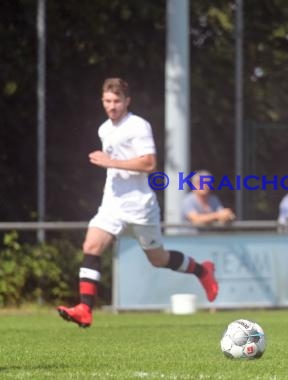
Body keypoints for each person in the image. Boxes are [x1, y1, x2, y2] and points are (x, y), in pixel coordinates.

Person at [57, 78, 219, 328]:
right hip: (112, 205)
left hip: (140, 208)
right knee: (91, 245)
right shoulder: (104, 129)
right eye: (108, 101)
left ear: (127, 101)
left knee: (158, 259)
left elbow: (149, 164)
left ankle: (203, 271)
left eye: (117, 101)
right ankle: (85, 309)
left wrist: (110, 162)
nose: (112, 106)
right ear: (102, 101)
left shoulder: (138, 126)